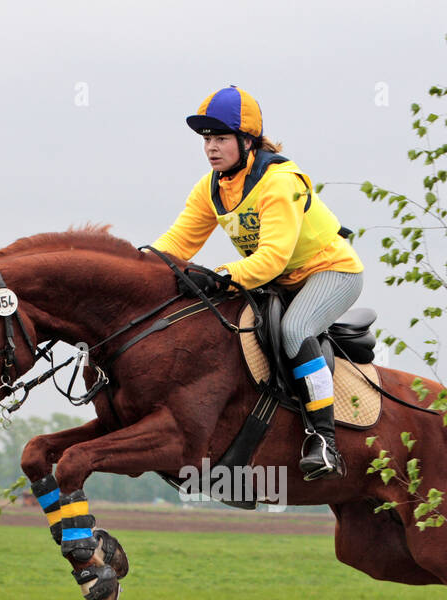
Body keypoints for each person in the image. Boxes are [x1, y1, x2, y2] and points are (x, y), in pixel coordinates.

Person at [150, 85, 363, 480]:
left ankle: (324, 440)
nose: (211, 148)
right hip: (277, 280)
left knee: (295, 329)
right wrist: (141, 264)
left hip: (330, 272)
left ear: (247, 141)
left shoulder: (280, 181)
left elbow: (272, 258)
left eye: (221, 139)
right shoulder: (212, 187)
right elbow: (179, 242)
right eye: (206, 140)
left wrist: (222, 276)